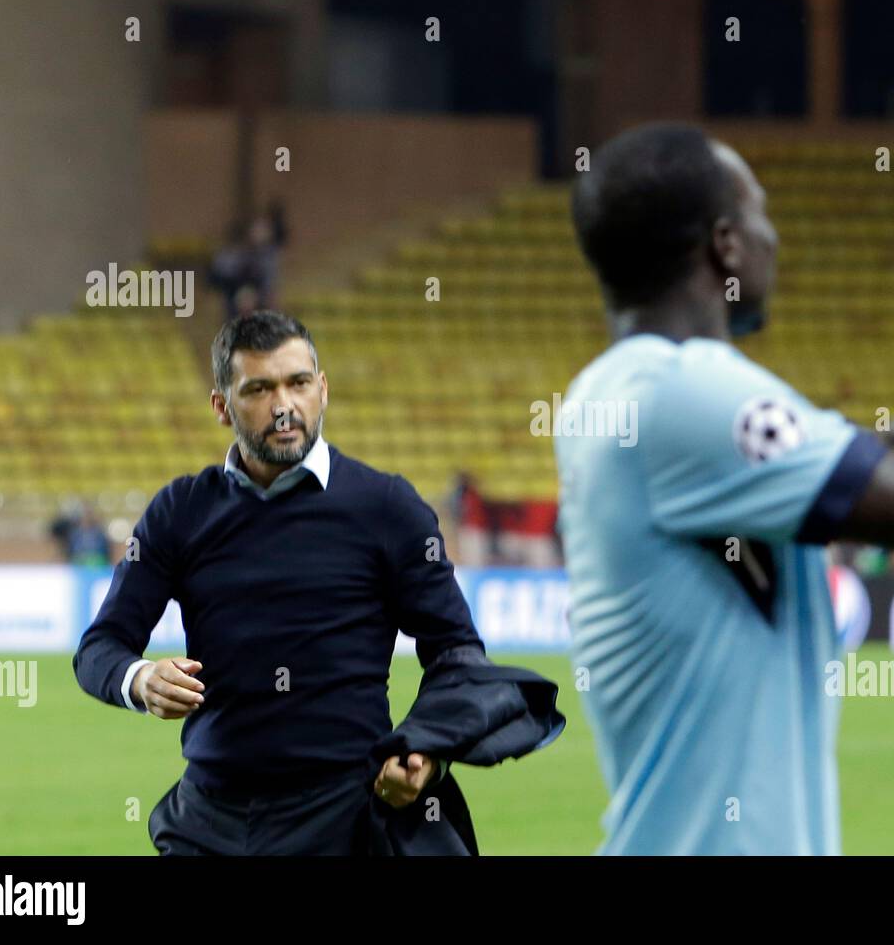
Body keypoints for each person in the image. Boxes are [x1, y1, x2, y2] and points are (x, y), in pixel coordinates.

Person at [555, 58, 894, 854]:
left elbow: (893, 459)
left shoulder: (628, 391)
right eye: (761, 214)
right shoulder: (680, 396)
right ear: (724, 245)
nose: (776, 235)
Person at [73, 311, 560, 854]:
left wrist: (428, 753)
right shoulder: (180, 511)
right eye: (259, 388)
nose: (284, 405)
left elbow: (456, 654)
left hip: (347, 815)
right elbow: (99, 648)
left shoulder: (388, 508)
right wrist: (140, 680)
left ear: (322, 390)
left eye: (298, 383)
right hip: (211, 821)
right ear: (221, 406)